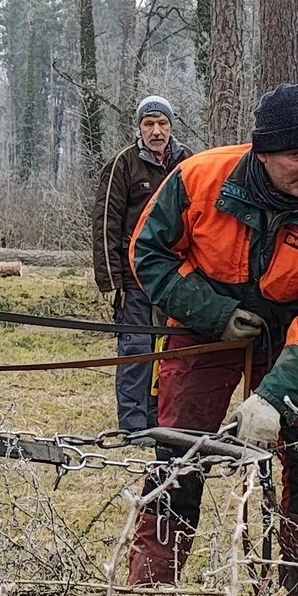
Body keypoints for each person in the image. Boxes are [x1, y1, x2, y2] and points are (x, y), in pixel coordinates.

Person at [128, 84, 298, 596]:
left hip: (294, 340)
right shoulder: (198, 179)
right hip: (203, 327)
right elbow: (148, 253)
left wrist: (274, 398)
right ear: (263, 152)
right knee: (179, 456)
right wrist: (213, 313)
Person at [92, 95, 186, 434]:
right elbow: (106, 222)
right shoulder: (124, 164)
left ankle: (158, 420)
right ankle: (132, 426)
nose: (156, 131)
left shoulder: (187, 162)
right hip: (133, 277)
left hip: (176, 276)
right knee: (136, 347)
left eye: (162, 123)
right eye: (149, 124)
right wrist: (109, 280)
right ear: (139, 128)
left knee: (169, 349)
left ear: (171, 126)